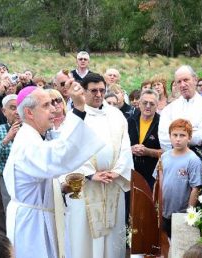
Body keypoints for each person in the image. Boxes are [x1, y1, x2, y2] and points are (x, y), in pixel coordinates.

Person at [3, 83, 105, 258]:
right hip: (32, 225)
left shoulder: (33, 137)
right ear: (29, 112)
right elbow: (59, 156)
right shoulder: (27, 142)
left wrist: (60, 187)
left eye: (52, 104)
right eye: (46, 105)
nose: (54, 110)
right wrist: (79, 109)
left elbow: (40, 178)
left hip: (37, 217)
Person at [63, 73, 133, 258]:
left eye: (102, 90)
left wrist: (117, 172)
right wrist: (89, 175)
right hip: (86, 187)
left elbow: (125, 148)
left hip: (111, 185)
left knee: (111, 240)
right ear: (84, 92)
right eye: (93, 90)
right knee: (85, 240)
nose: (99, 94)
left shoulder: (116, 115)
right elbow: (69, 151)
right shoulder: (75, 117)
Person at [157, 119, 202, 238]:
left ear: (189, 138)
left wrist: (189, 213)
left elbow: (195, 188)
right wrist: (156, 204)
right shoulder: (164, 156)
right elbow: (158, 180)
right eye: (175, 135)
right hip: (163, 211)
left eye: (182, 135)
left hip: (181, 214)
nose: (178, 139)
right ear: (170, 136)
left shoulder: (193, 160)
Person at [158, 65, 202, 155]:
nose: (182, 85)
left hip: (199, 158)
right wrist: (193, 131)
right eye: (179, 82)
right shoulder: (168, 110)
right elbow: (164, 138)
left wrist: (176, 135)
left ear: (195, 80)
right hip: (174, 158)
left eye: (186, 80)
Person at [0, 94, 20, 218]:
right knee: (12, 215)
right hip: (8, 180)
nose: (17, 111)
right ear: (4, 111)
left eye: (19, 107)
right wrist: (7, 139)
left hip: (31, 180)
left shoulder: (31, 128)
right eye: (12, 108)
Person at [128, 89, 161, 189]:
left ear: (157, 105)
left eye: (152, 104)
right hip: (131, 171)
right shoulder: (130, 120)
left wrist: (148, 152)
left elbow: (168, 152)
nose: (147, 106)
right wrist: (131, 149)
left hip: (152, 174)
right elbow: (120, 146)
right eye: (145, 103)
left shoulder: (162, 123)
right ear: (139, 104)